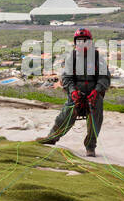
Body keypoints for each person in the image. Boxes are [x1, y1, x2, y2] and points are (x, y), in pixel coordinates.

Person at [38, 27, 110, 157]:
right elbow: (66, 78)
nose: (81, 44)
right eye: (79, 41)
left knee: (96, 118)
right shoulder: (72, 58)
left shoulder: (98, 58)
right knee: (64, 115)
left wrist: (97, 91)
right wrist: (73, 92)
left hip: (94, 94)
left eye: (85, 41)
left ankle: (90, 146)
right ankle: (52, 137)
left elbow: (104, 78)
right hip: (77, 94)